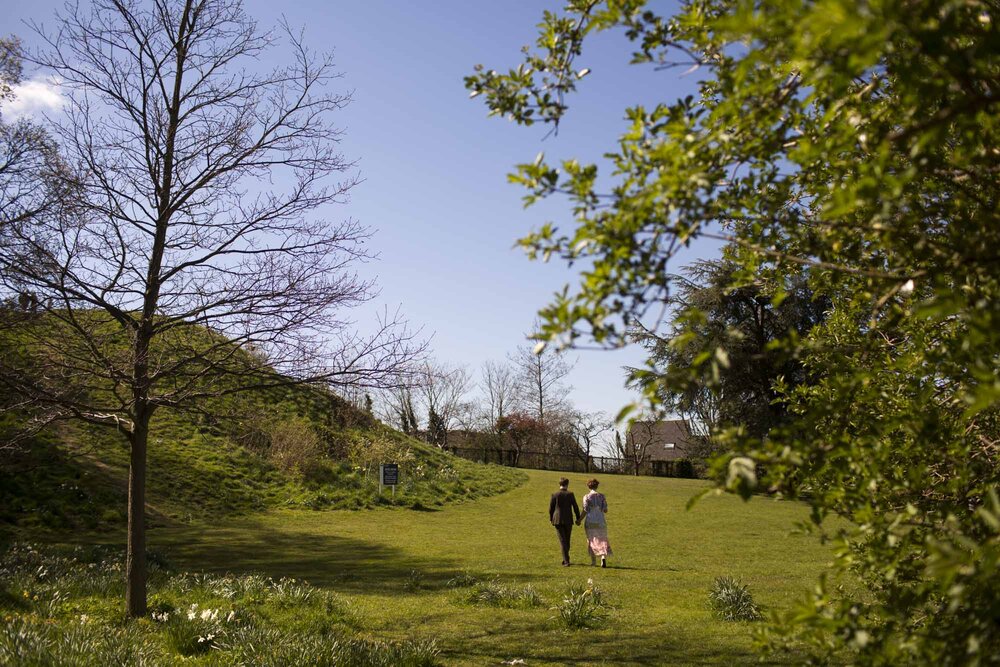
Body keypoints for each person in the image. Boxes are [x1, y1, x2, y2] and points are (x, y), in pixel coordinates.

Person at [579, 478, 613, 567]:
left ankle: (593, 561)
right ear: (597, 486)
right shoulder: (602, 496)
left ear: (588, 486)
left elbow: (585, 510)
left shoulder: (586, 497)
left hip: (590, 520)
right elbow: (605, 510)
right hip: (600, 520)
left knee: (591, 539)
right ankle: (603, 557)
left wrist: (579, 520)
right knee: (602, 539)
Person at [549, 477, 581, 566]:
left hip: (557, 519)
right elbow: (575, 506)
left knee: (563, 541)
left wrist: (551, 518)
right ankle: (566, 560)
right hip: (568, 519)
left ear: (559, 484)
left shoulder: (555, 494)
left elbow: (551, 508)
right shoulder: (570, 494)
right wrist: (578, 518)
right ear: (567, 484)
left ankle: (565, 559)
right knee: (566, 540)